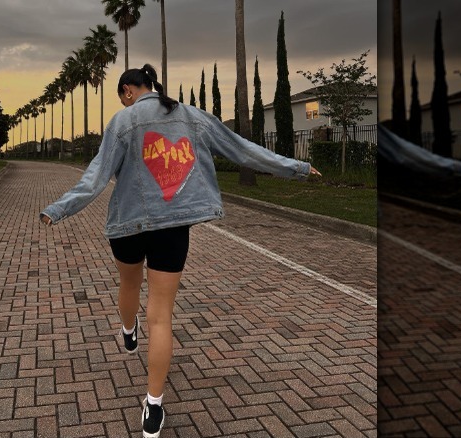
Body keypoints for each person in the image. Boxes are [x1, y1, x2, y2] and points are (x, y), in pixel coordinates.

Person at [40, 64, 320, 438]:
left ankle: (127, 330)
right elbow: (244, 151)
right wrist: (297, 167)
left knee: (128, 287)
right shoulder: (193, 116)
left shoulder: (123, 121)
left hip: (128, 226)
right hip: (172, 229)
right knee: (161, 316)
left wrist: (58, 209)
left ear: (128, 90)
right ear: (152, 86)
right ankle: (153, 406)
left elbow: (95, 177)